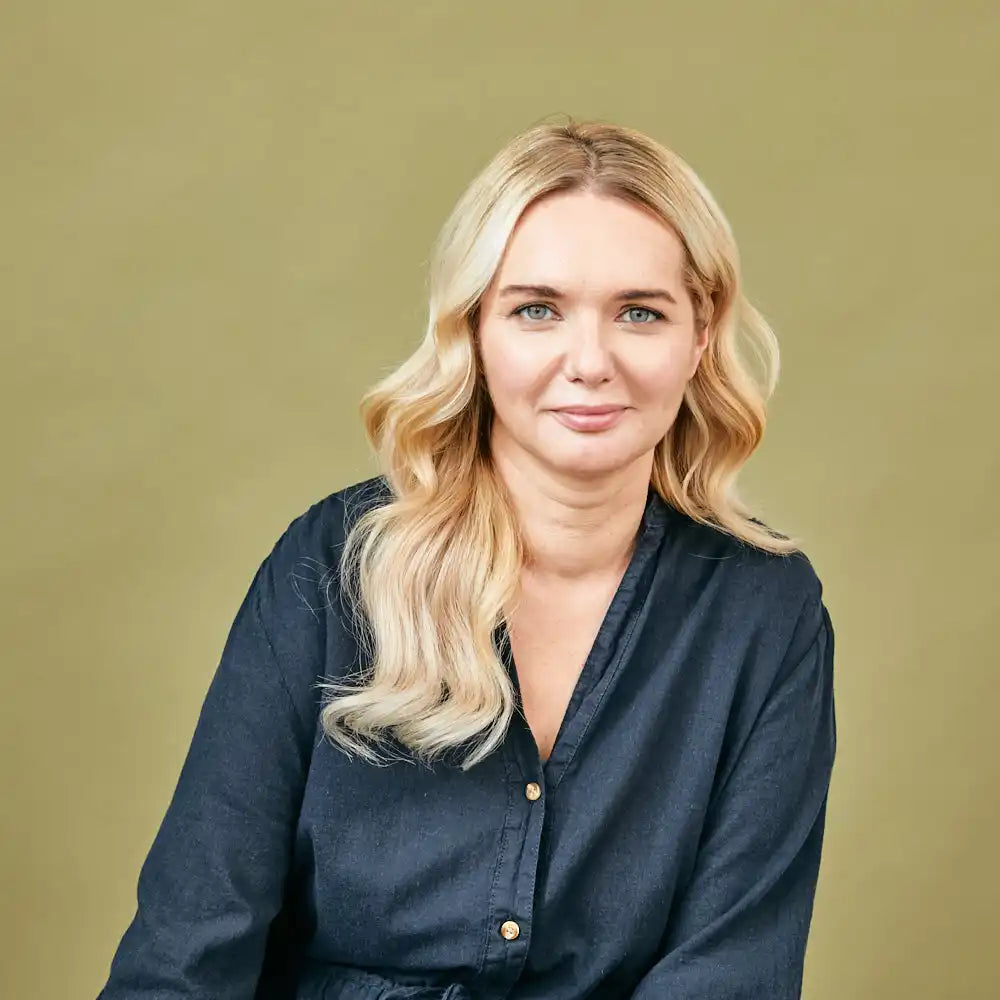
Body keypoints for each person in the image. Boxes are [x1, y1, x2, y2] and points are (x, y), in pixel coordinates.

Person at [97, 115, 837, 1000]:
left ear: (700, 337)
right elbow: (189, 945)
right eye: (537, 310)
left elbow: (732, 974)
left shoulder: (764, 610)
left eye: (640, 313)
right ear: (475, 333)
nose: (590, 361)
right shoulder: (333, 567)